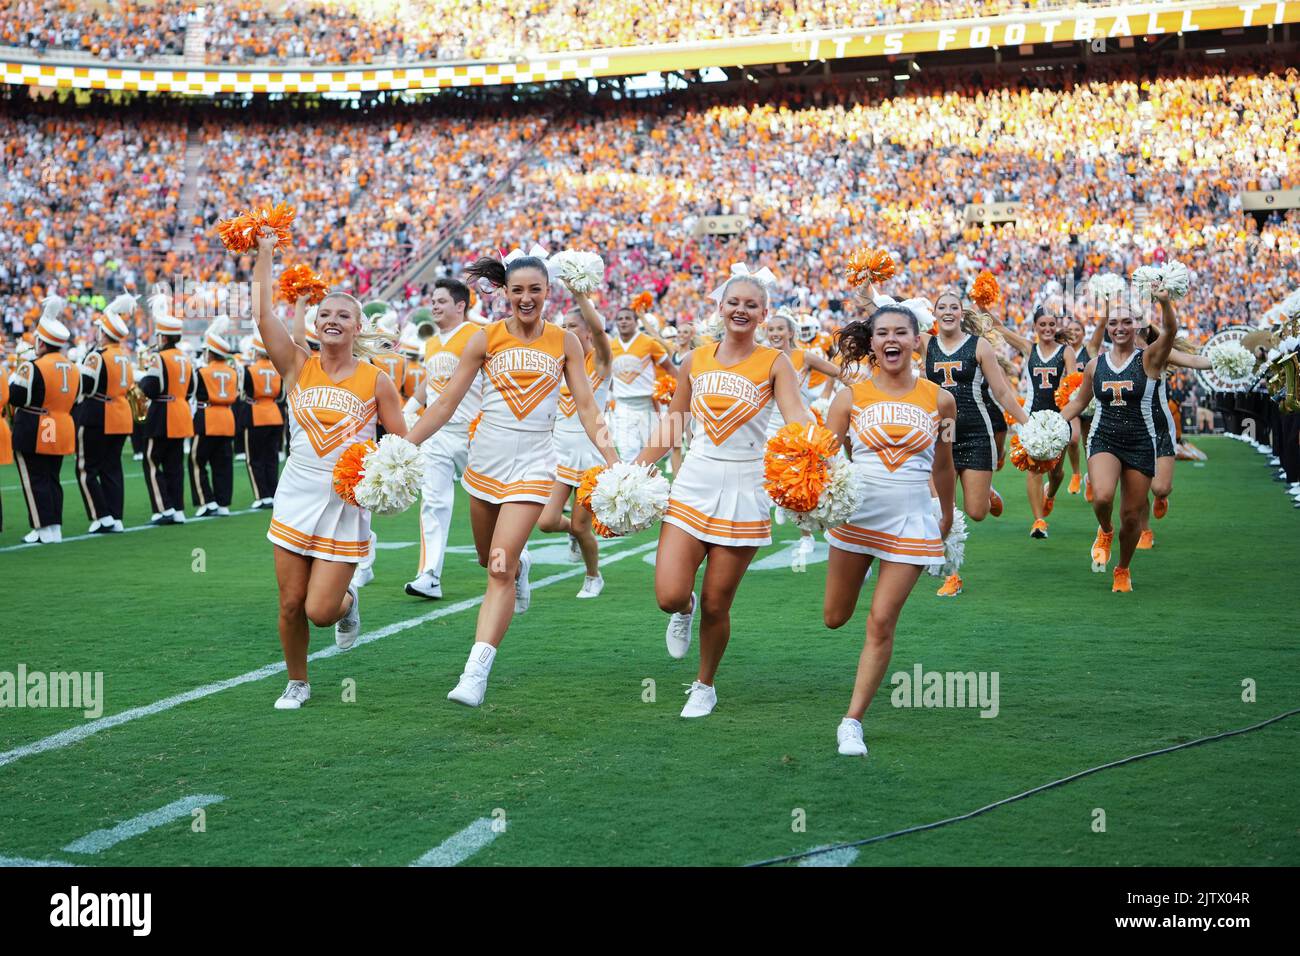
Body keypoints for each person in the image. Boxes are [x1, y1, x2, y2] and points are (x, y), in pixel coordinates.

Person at [404, 253, 618, 707]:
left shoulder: (565, 342)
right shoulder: (485, 338)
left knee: (497, 569)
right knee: (491, 559)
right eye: (517, 290)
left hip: (535, 467)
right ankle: (521, 568)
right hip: (484, 466)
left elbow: (586, 406)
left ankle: (475, 672)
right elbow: (444, 404)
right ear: (504, 292)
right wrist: (405, 445)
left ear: (547, 292)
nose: (526, 298)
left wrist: (614, 459)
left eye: (534, 290)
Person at [632, 268, 812, 719]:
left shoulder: (775, 362)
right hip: (695, 481)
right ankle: (682, 609)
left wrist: (814, 456)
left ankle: (704, 684)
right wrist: (635, 467)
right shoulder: (696, 359)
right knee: (670, 595)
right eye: (735, 302)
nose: (742, 310)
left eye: (752, 305)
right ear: (720, 307)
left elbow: (796, 416)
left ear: (764, 314)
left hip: (746, 487)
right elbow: (675, 421)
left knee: (718, 602)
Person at [252, 229, 407, 710]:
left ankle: (349, 605)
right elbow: (263, 315)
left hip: (343, 507)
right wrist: (264, 254)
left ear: (358, 327)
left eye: (344, 315)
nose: (332, 320)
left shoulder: (377, 380)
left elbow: (400, 445)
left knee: (320, 611)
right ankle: (297, 682)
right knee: (290, 604)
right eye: (325, 315)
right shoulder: (297, 366)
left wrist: (385, 481)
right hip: (296, 496)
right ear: (316, 325)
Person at [821, 303, 956, 757]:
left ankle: (852, 721)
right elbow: (822, 458)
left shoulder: (940, 400)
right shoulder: (850, 397)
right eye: (883, 333)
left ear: (918, 340)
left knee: (881, 621)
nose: (892, 339)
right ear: (872, 342)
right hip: (857, 518)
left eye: (902, 332)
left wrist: (947, 515)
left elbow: (943, 462)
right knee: (835, 617)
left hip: (911, 520)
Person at [1060, 285, 1179, 593]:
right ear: (1107, 327)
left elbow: (1170, 331)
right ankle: (1105, 530)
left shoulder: (1149, 359)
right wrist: (1052, 422)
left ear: (1136, 325)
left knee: (1131, 518)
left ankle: (1123, 568)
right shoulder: (1095, 365)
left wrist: (1164, 302)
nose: (1119, 328)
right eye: (1113, 322)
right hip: (1104, 438)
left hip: (1141, 440)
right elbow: (1078, 401)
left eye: (1126, 321)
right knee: (1101, 496)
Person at [923, 290, 1027, 595]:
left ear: (960, 313)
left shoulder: (979, 346)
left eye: (952, 307)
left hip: (976, 433)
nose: (947, 312)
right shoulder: (926, 344)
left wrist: (1026, 422)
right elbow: (891, 324)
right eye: (941, 307)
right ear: (934, 313)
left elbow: (1003, 392)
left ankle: (986, 491)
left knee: (977, 512)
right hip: (942, 434)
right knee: (944, 510)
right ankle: (951, 574)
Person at [404, 278, 481, 600]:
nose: (433, 306)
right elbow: (431, 381)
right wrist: (411, 406)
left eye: (440, 301)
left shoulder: (478, 335)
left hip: (474, 432)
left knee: (490, 502)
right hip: (437, 433)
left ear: (460, 305)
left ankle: (516, 560)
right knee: (434, 502)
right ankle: (429, 574)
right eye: (432, 301)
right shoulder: (431, 342)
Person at [538, 285, 612, 598]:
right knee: (546, 521)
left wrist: (581, 295)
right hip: (560, 454)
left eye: (573, 327)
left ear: (586, 333)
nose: (566, 331)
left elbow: (599, 328)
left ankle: (593, 576)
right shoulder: (560, 364)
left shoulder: (600, 363)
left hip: (590, 456)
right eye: (563, 326)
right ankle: (575, 534)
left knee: (583, 527)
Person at [1002, 306, 1078, 538]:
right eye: (1042, 324)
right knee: (1034, 469)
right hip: (1032, 416)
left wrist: (1069, 413)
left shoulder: (1066, 352)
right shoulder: (1029, 348)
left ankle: (1051, 494)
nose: (1047, 329)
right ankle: (1038, 521)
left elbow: (1073, 383)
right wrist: (983, 306)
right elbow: (1000, 329)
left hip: (1058, 417)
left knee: (1056, 472)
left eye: (1051, 325)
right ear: (1035, 326)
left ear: (1056, 327)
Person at [9, 302, 79, 543]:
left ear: (41, 342)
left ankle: (41, 528)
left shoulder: (33, 366)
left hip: (36, 426)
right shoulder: (73, 367)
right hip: (60, 425)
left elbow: (18, 397)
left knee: (34, 477)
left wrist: (14, 375)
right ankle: (54, 527)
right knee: (51, 477)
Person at [75, 296, 137, 534]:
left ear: (104, 332)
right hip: (121, 414)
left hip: (98, 414)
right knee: (112, 468)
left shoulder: (97, 356)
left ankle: (101, 516)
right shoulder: (124, 355)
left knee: (86, 468)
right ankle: (115, 516)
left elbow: (85, 385)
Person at [138, 293, 195, 525]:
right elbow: (191, 388)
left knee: (151, 460)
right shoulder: (186, 358)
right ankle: (178, 508)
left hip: (162, 414)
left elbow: (151, 388)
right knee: (174, 464)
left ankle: (163, 509)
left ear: (162, 337)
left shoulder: (159, 358)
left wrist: (141, 379)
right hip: (181, 411)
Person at [608, 303, 673, 460]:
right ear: (616, 323)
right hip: (623, 405)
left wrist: (675, 389)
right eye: (620, 319)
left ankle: (651, 483)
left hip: (646, 404)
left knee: (654, 454)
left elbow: (671, 368)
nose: (623, 321)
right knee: (627, 452)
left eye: (628, 318)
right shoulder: (610, 346)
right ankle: (632, 484)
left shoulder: (649, 343)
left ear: (636, 322)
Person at [189, 320, 240, 518]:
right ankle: (223, 503)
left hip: (207, 418)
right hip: (227, 418)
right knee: (223, 464)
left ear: (210, 352)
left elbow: (191, 394)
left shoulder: (201, 371)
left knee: (196, 461)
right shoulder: (234, 371)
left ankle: (205, 501)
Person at [242, 333, 284, 509]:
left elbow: (244, 394)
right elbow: (281, 396)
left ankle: (261, 495)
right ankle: (273, 493)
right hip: (275, 414)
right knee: (271, 457)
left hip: (256, 415)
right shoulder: (277, 369)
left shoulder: (249, 370)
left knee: (254, 458)